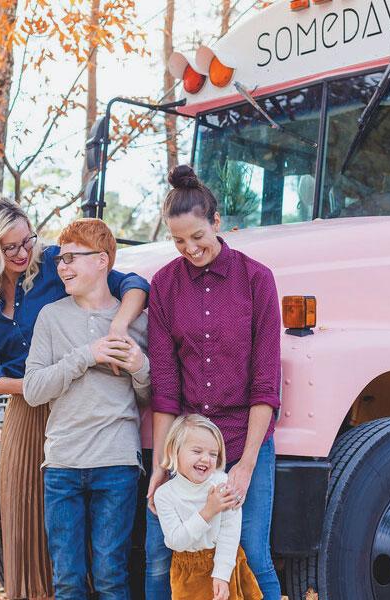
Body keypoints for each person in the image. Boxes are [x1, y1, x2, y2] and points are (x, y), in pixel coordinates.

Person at [0, 196, 149, 600]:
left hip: (82, 414)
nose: (23, 252)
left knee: (102, 558)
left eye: (27, 240)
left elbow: (132, 283)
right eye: (10, 247)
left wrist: (117, 328)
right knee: (29, 526)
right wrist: (32, 385)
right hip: (28, 411)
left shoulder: (55, 263)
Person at [145, 165, 282, 600]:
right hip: (186, 450)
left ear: (217, 223)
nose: (190, 249)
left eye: (197, 237)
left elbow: (266, 384)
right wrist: (160, 467)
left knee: (251, 555)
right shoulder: (164, 286)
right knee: (159, 555)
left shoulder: (256, 280)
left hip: (245, 440)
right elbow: (165, 387)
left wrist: (245, 465)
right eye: (178, 241)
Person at [23, 218, 150, 600]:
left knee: (111, 575)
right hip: (62, 464)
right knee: (68, 580)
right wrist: (86, 355)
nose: (62, 266)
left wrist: (139, 367)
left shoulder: (135, 323)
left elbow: (147, 396)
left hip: (116, 464)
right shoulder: (51, 316)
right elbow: (33, 390)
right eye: (61, 259)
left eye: (73, 258)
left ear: (102, 261)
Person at [153, 415, 262, 600]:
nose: (206, 459)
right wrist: (208, 511)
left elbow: (230, 534)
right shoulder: (165, 495)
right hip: (186, 573)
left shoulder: (223, 484)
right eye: (197, 451)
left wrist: (221, 575)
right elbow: (176, 541)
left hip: (224, 563)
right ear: (174, 450)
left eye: (213, 454)